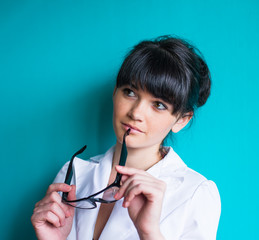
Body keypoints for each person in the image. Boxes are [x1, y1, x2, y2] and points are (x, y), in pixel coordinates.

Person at [31, 36, 221, 240]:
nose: (136, 113)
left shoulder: (195, 193)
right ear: (115, 92)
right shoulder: (74, 175)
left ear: (181, 120)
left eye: (158, 105)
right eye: (130, 92)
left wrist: (149, 232)